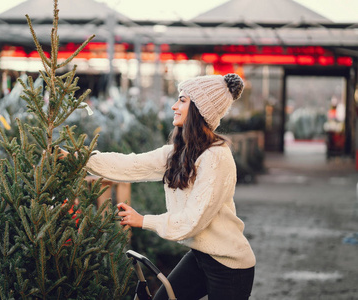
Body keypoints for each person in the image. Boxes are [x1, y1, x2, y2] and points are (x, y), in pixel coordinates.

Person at [63, 73, 255, 300]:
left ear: (200, 109)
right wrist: (77, 158)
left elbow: (192, 221)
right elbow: (130, 164)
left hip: (229, 266)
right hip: (201, 255)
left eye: (182, 100)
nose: (174, 106)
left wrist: (143, 220)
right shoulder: (179, 153)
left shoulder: (216, 158)